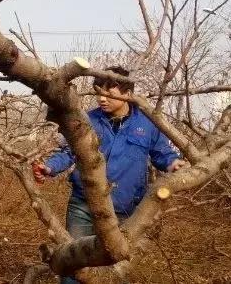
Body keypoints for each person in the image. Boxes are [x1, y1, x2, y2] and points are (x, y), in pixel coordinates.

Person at [32, 66, 187, 284]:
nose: (102, 100)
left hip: (125, 208)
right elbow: (69, 152)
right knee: (74, 261)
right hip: (84, 204)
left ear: (127, 94)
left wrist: (174, 164)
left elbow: (163, 154)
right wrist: (49, 167)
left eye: (109, 95)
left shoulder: (147, 123)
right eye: (98, 93)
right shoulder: (87, 120)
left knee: (114, 267)